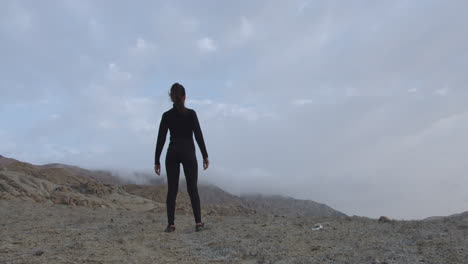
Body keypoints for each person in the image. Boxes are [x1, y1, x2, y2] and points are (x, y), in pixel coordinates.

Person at [154, 82, 209, 233]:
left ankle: (171, 225)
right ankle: (198, 223)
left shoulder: (166, 116)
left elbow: (161, 139)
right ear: (184, 97)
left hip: (172, 153)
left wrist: (156, 160)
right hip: (188, 153)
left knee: (172, 189)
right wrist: (205, 155)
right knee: (193, 189)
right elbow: (198, 135)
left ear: (172, 98)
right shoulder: (191, 114)